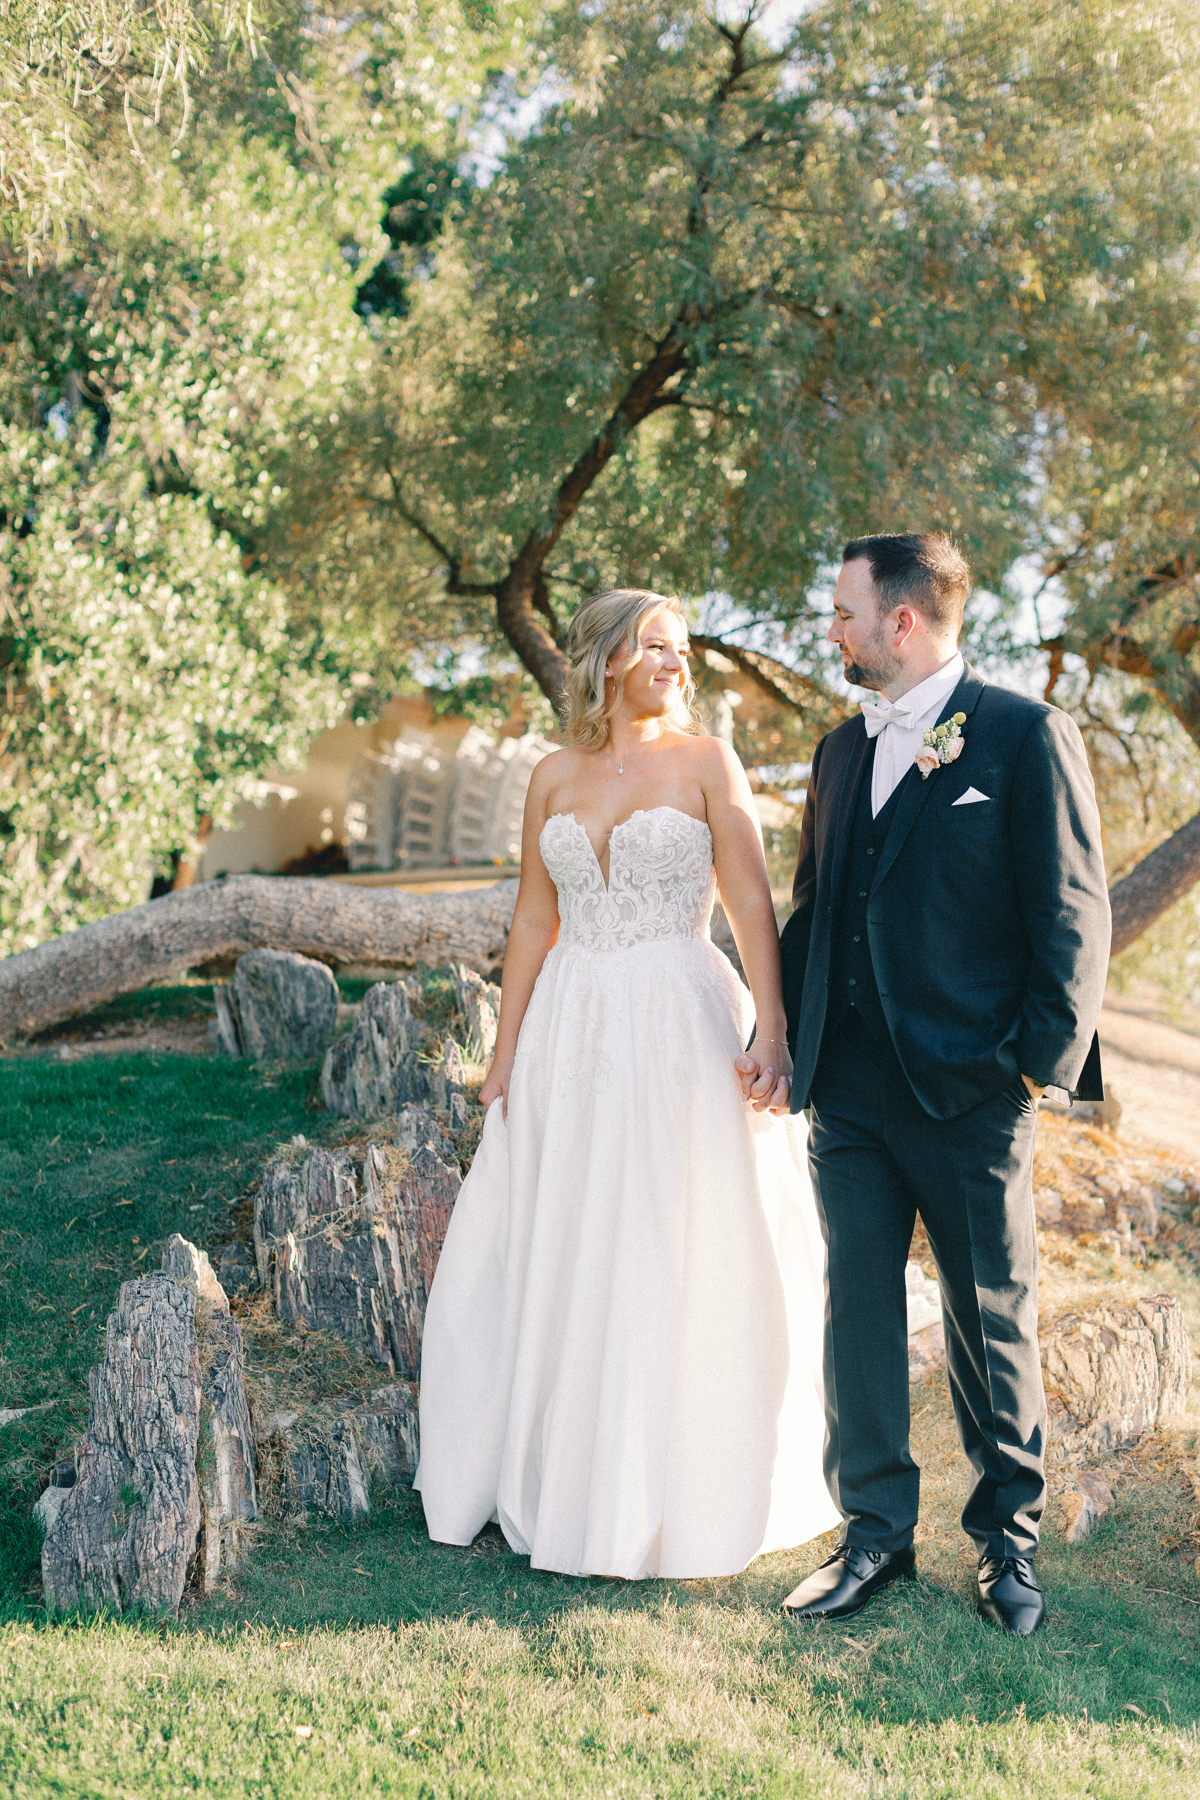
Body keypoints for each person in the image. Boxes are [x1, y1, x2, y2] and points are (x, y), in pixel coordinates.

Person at [415, 587, 839, 1578]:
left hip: (679, 1018)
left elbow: (746, 898)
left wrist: (771, 1027)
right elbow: (531, 921)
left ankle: (671, 1484)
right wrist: (503, 1057)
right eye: (656, 645)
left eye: (680, 648)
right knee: (570, 1232)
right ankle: (565, 1470)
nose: (674, 662)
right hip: (571, 1023)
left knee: (669, 1232)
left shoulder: (705, 762)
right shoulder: (552, 775)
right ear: (607, 657)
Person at [779, 533, 1111, 1637]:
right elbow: (818, 909)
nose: (831, 630)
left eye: (842, 612)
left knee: (990, 1320)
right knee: (857, 1316)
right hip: (852, 1096)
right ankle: (874, 1535)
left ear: (902, 621)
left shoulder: (1023, 736)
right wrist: (783, 1034)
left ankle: (1006, 1549)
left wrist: (1033, 1071)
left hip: (973, 1092)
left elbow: (1073, 916)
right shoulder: (836, 752)